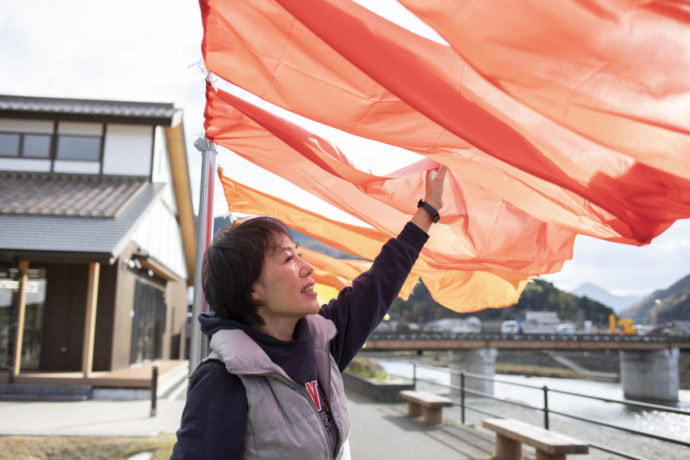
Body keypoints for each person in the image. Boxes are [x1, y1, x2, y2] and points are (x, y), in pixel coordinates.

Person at [171, 166, 447, 459]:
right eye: (287, 259)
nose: (307, 267)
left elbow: (379, 282)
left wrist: (428, 210)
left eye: (299, 254)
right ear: (252, 289)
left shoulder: (321, 342)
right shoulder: (224, 379)